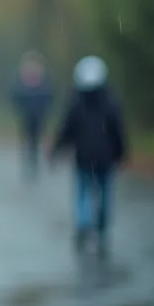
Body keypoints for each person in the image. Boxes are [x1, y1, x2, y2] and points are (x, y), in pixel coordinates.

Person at [49, 55, 127, 257]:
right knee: (104, 195)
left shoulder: (76, 102)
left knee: (83, 192)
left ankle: (83, 224)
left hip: (84, 158)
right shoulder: (110, 102)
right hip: (105, 158)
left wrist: (57, 149)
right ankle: (100, 230)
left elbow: (66, 129)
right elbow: (118, 131)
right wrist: (120, 153)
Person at [10, 50, 54, 180]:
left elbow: (48, 98)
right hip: (26, 118)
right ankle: (28, 163)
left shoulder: (42, 86)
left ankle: (33, 162)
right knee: (27, 141)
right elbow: (15, 97)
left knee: (35, 141)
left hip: (38, 118)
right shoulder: (22, 85)